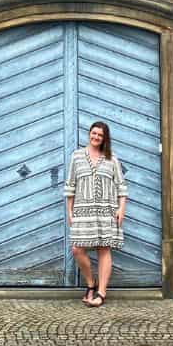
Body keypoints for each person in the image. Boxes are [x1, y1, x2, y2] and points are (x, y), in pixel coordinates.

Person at [64, 120, 127, 308]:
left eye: (100, 135)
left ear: (104, 138)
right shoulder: (77, 157)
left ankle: (101, 293)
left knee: (103, 248)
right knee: (77, 249)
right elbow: (70, 186)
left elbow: (121, 186)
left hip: (106, 211)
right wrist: (70, 212)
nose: (96, 137)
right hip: (82, 211)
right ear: (89, 134)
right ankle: (91, 283)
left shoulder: (112, 159)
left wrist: (121, 208)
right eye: (94, 133)